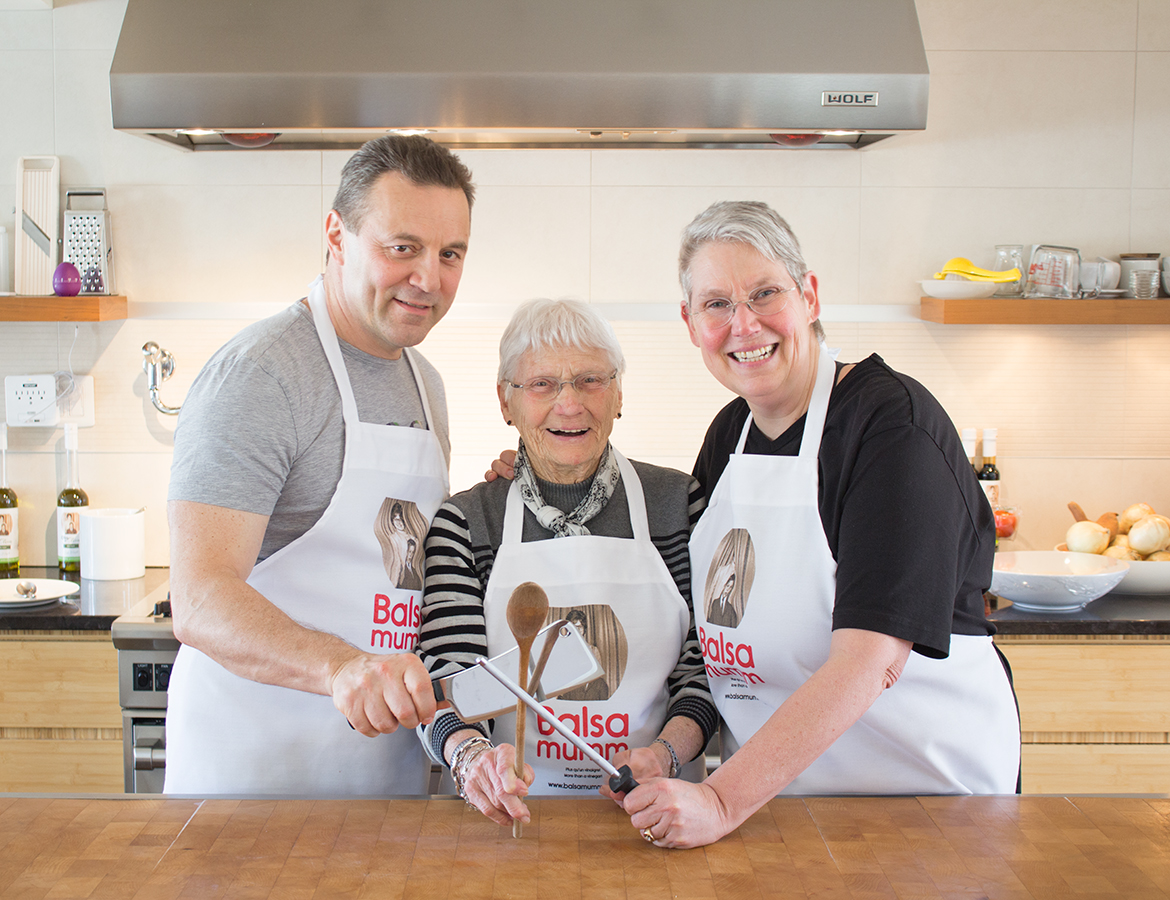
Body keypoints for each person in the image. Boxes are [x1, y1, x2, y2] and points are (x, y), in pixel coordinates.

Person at [616, 200, 1021, 848]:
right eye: (716, 304)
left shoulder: (889, 428)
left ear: (809, 295)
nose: (743, 323)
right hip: (787, 813)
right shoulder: (730, 438)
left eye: (764, 293)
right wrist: (667, 753)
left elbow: (870, 662)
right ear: (691, 326)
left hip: (933, 812)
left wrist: (719, 800)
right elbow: (722, 654)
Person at [164, 135, 474, 796]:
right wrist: (341, 668)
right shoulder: (263, 375)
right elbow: (197, 598)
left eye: (450, 254)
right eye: (402, 247)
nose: (429, 278)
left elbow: (400, 556)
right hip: (254, 779)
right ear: (337, 234)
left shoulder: (428, 385)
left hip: (380, 778)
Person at [417, 298, 719, 827]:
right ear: (505, 402)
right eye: (541, 385)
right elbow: (447, 681)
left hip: (657, 813)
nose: (569, 404)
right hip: (506, 820)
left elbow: (706, 670)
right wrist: (475, 762)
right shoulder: (467, 521)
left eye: (589, 381)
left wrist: (665, 755)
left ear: (619, 393)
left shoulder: (679, 505)